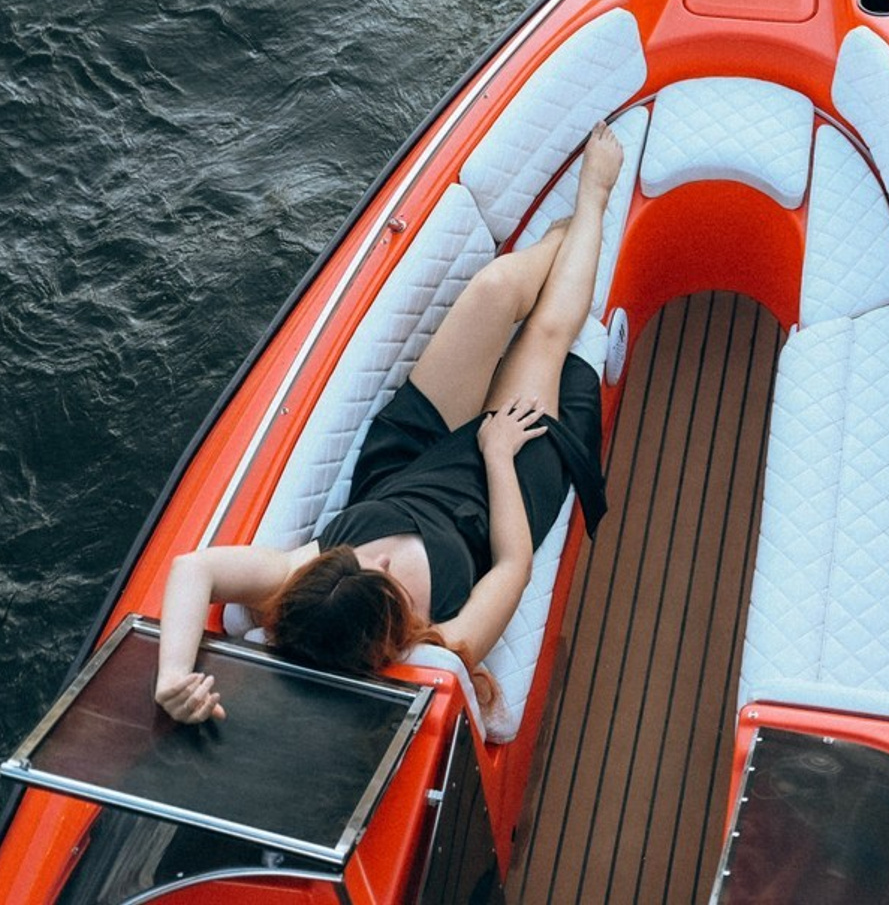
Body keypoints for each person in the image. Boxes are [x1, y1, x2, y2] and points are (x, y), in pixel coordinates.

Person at [155, 121, 624, 724]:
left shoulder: (312, 581)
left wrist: (173, 675)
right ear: (391, 637)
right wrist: (497, 454)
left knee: (494, 288)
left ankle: (551, 246)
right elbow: (512, 566)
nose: (377, 560)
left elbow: (194, 567)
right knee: (546, 335)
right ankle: (593, 202)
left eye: (350, 561)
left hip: (405, 465)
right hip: (494, 491)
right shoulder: (447, 640)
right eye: (385, 582)